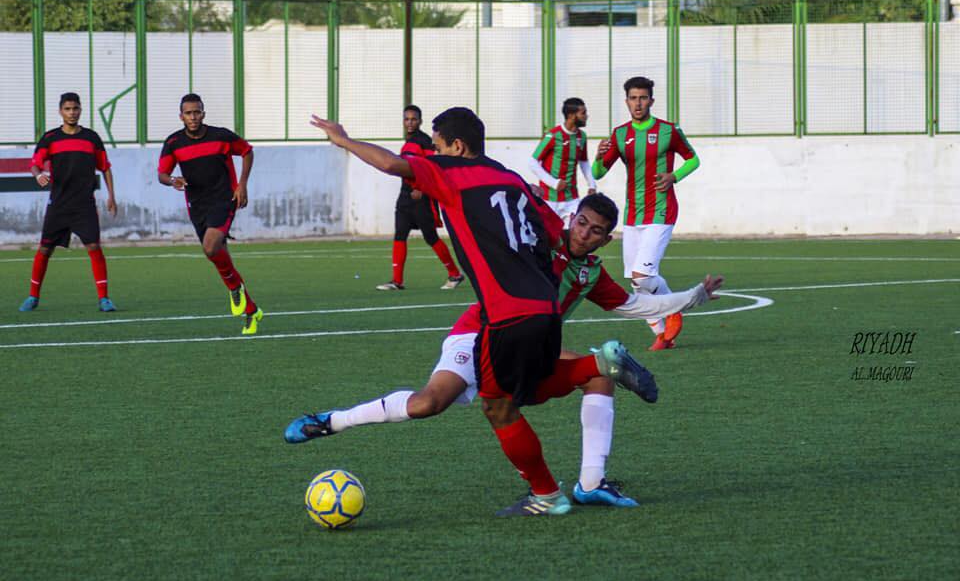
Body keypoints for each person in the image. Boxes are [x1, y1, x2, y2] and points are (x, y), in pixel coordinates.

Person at [305, 107, 658, 517]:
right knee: (469, 398)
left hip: (503, 315)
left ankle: (560, 489)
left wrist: (343, 139)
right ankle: (332, 421)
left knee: (499, 404)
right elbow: (550, 229)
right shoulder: (512, 181)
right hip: (520, 316)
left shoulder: (450, 173)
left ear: (457, 146)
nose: (431, 154)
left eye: (436, 147)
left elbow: (390, 163)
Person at [286, 194, 722, 510]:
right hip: (477, 333)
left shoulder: (590, 273)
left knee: (598, 376)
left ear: (606, 240)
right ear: (572, 218)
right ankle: (331, 421)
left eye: (596, 232)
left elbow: (638, 306)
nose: (585, 234)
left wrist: (694, 296)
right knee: (426, 404)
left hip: (528, 348)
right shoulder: (539, 238)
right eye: (582, 223)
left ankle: (591, 483)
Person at [593, 76, 701, 351]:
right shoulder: (620, 134)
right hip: (632, 216)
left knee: (642, 275)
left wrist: (673, 176)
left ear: (651, 100)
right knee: (637, 283)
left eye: (643, 98)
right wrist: (597, 156)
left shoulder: (668, 131)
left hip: (662, 211)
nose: (638, 103)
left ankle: (673, 308)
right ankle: (663, 336)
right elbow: (597, 173)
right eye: (633, 98)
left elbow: (693, 159)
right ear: (626, 101)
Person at [157, 93, 262, 335]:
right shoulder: (173, 143)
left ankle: (235, 289)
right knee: (216, 252)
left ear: (203, 113)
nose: (193, 117)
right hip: (197, 205)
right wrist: (173, 179)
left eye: (197, 112)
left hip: (224, 199)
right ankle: (251, 310)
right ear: (181, 116)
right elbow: (162, 174)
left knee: (210, 247)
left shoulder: (221, 136)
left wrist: (242, 184)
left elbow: (247, 151)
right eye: (188, 113)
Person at [19, 92, 117, 313]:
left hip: (84, 205)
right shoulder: (50, 138)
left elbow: (105, 167)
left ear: (81, 110)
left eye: (75, 108)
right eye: (68, 109)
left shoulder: (91, 138)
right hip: (59, 204)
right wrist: (38, 174)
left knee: (94, 246)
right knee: (45, 249)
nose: (72, 113)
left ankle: (104, 299)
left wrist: (111, 196)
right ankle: (33, 296)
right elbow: (35, 163)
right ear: (60, 111)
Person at [376, 105, 464, 291]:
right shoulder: (407, 143)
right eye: (406, 119)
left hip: (420, 198)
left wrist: (422, 190)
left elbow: (433, 168)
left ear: (420, 121)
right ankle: (397, 281)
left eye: (413, 119)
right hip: (405, 197)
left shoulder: (425, 142)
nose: (410, 123)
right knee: (400, 235)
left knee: (431, 237)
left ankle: (455, 274)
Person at [528, 97, 597, 226]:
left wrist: (592, 185)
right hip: (550, 199)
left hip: (572, 199)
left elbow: (583, 162)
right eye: (583, 113)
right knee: (549, 239)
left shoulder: (581, 136)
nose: (586, 116)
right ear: (571, 115)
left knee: (572, 237)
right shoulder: (553, 135)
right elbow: (532, 162)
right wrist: (554, 183)